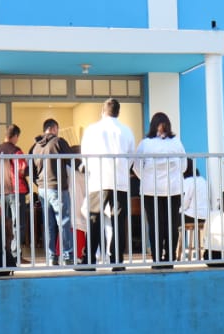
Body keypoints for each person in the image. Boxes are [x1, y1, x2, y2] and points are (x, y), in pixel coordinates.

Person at [80, 98, 135, 269]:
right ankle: (117, 260)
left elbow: (85, 154)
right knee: (118, 221)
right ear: (118, 112)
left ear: (102, 111)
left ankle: (89, 260)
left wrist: (90, 169)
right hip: (120, 181)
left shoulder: (92, 129)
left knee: (94, 219)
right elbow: (131, 157)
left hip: (98, 180)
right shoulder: (126, 131)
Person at [134, 112, 187, 267]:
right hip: (173, 189)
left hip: (151, 190)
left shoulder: (145, 144)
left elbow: (137, 167)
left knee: (155, 224)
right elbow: (184, 165)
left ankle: (157, 258)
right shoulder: (176, 142)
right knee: (171, 224)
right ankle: (170, 257)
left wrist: (147, 178)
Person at [30, 119, 75, 265]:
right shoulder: (58, 142)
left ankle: (51, 257)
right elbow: (72, 160)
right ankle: (68, 255)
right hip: (57, 187)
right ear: (54, 129)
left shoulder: (35, 147)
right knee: (64, 221)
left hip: (42, 189)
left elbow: (31, 170)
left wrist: (38, 183)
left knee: (48, 224)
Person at [0, 124, 29, 263]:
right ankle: (15, 255)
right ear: (15, 136)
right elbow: (22, 169)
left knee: (5, 224)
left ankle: (6, 254)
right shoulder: (16, 151)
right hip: (15, 190)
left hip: (1, 191)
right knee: (18, 224)